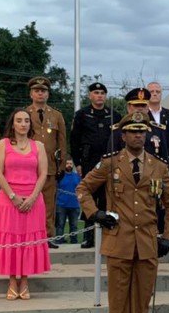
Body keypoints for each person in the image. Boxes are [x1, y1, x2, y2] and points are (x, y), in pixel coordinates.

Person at [76, 114, 169, 313]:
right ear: (122, 136)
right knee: (119, 300)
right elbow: (83, 189)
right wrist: (96, 214)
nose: (138, 136)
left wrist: (168, 237)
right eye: (132, 132)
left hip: (147, 242)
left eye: (142, 132)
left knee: (142, 299)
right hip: (119, 241)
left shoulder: (158, 166)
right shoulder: (110, 164)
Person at [0, 109, 51, 299]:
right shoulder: (3, 144)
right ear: (12, 124)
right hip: (9, 200)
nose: (23, 124)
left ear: (30, 124)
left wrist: (32, 197)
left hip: (33, 200)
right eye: (19, 121)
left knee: (27, 241)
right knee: (11, 241)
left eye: (26, 121)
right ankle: (12, 280)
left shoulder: (38, 145)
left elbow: (43, 174)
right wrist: (13, 196)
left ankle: (24, 280)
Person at [68, 81, 120, 248]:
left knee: (108, 197)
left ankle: (108, 235)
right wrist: (78, 163)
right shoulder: (82, 114)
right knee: (90, 197)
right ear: (90, 96)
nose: (99, 96)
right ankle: (89, 236)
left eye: (102, 93)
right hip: (89, 160)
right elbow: (74, 140)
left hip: (110, 161)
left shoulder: (114, 115)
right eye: (96, 93)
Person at [23, 77, 68, 248]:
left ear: (48, 94)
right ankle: (28, 237)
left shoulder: (56, 115)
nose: (40, 93)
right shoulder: (24, 114)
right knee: (29, 203)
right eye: (36, 90)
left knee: (48, 205)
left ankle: (47, 237)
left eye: (43, 91)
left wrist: (61, 165)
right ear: (31, 94)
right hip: (28, 168)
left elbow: (62, 142)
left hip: (49, 167)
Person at [146, 81, 169, 171]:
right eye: (151, 92)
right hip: (146, 162)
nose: (155, 94)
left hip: (167, 162)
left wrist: (167, 154)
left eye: (157, 92)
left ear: (161, 94)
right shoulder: (141, 115)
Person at [55, 160, 81, 245]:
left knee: (74, 226)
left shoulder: (77, 177)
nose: (69, 165)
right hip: (61, 205)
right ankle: (59, 241)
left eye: (70, 164)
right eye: (67, 163)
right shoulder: (59, 176)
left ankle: (74, 242)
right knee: (60, 224)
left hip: (74, 205)